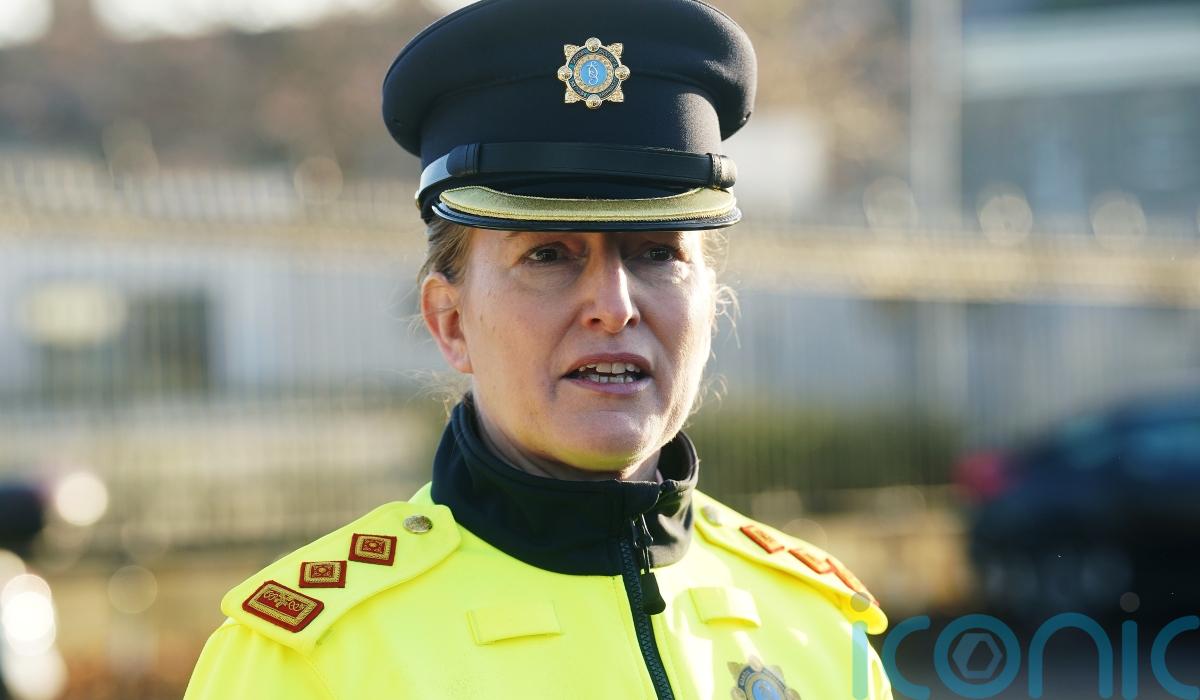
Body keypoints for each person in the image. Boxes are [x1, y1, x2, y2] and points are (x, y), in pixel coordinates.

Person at [184, 0, 895, 698]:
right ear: (450, 322)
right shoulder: (314, 662)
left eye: (658, 252)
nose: (614, 307)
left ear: (715, 304)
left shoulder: (817, 627)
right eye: (549, 254)